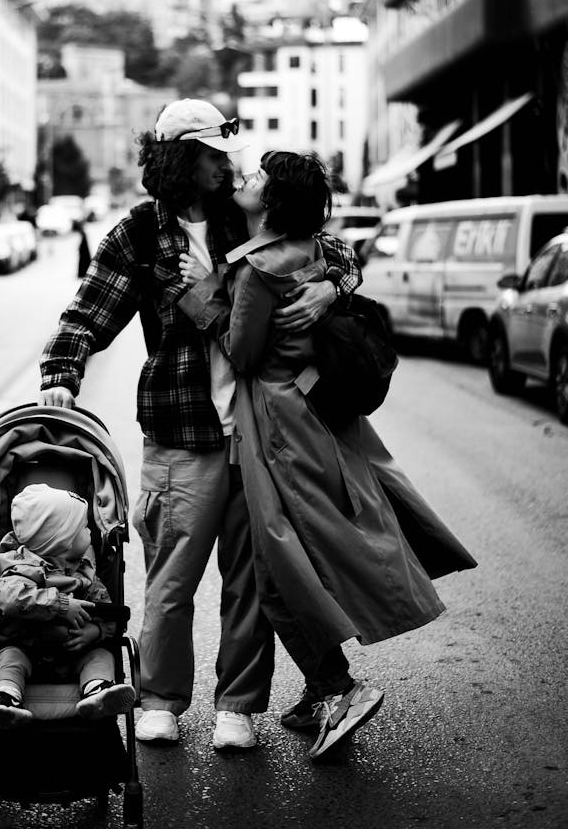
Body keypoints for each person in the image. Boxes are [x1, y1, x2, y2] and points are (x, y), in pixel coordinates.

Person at [38, 99, 362, 751]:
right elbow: (86, 313)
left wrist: (336, 284)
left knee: (247, 577)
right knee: (172, 574)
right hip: (179, 431)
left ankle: (237, 706)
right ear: (182, 158)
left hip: (253, 429)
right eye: (214, 154)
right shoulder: (137, 233)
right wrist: (60, 373)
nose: (227, 164)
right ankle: (160, 697)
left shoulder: (240, 217)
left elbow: (332, 249)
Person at [179, 150, 477, 760]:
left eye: (260, 178)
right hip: (307, 418)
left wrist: (200, 293)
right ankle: (323, 688)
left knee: (279, 566)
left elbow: (241, 353)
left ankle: (336, 687)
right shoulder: (310, 250)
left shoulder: (259, 269)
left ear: (274, 202)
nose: (248, 180)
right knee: (295, 558)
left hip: (278, 428)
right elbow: (339, 260)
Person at [0, 483, 136, 730]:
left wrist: (95, 631)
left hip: (73, 653)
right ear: (62, 541)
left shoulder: (84, 570)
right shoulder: (20, 569)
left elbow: (105, 608)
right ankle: (7, 701)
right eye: (84, 528)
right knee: (10, 659)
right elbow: (11, 599)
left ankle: (97, 693)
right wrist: (61, 604)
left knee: (100, 655)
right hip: (25, 646)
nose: (90, 532)